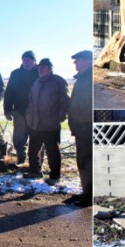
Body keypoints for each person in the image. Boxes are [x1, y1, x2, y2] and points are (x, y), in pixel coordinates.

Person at [25, 58, 69, 184]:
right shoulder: (36, 82)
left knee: (53, 151)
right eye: (39, 67)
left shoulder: (58, 81)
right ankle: (35, 171)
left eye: (43, 67)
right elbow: (31, 100)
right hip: (35, 123)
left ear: (49, 68)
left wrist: (60, 117)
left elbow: (66, 101)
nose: (40, 69)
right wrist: (29, 115)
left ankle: (55, 176)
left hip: (51, 124)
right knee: (33, 150)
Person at [65, 50, 93, 207]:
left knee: (88, 162)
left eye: (78, 61)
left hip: (87, 126)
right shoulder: (81, 78)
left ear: (88, 62)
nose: (75, 63)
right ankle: (85, 192)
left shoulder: (90, 79)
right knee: (82, 161)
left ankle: (89, 197)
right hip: (80, 127)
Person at [4, 51, 38, 165]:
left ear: (34, 61)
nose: (26, 62)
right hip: (19, 112)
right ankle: (21, 161)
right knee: (18, 140)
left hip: (36, 113)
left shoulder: (40, 72)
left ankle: (36, 165)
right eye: (24, 60)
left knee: (36, 140)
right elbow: (9, 93)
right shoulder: (16, 74)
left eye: (29, 60)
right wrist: (7, 110)